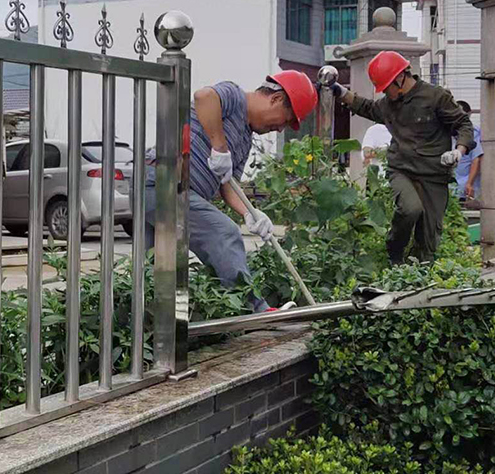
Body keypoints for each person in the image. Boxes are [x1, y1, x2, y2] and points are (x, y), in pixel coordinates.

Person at [143, 71, 318, 313]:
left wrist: (250, 213)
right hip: (163, 183)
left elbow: (228, 184)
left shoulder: (245, 139)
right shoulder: (235, 96)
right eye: (285, 120)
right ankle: (254, 311)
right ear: (276, 99)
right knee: (224, 234)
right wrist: (219, 146)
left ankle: (146, 327)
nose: (280, 129)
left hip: (172, 192)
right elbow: (204, 97)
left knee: (153, 270)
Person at [327, 51, 474, 263]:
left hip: (434, 174)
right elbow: (367, 107)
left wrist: (459, 151)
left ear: (400, 77)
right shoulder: (388, 104)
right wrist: (340, 91)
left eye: (387, 87)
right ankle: (394, 253)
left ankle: (418, 271)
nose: (385, 93)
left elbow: (463, 124)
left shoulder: (436, 97)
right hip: (402, 170)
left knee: (428, 240)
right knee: (410, 209)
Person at [453, 100, 483, 205]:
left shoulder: (473, 133)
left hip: (466, 188)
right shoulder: (450, 132)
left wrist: (469, 183)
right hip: (452, 186)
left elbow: (476, 159)